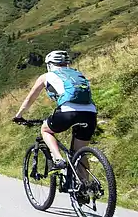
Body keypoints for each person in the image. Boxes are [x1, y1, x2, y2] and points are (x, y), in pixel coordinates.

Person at [13, 50, 96, 196]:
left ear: (49, 64)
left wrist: (19, 116)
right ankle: (85, 189)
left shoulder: (46, 76)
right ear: (66, 63)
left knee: (46, 130)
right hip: (90, 113)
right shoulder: (77, 74)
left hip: (67, 111)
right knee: (80, 153)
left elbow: (29, 100)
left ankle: (58, 159)